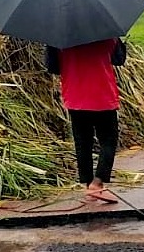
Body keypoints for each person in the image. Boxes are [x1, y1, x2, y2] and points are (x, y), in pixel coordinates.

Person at [46, 38, 126, 205]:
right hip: (102, 95)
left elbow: (53, 68)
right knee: (108, 141)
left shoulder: (58, 36)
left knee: (83, 143)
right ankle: (97, 183)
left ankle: (89, 184)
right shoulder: (106, 33)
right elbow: (119, 60)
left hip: (75, 96)